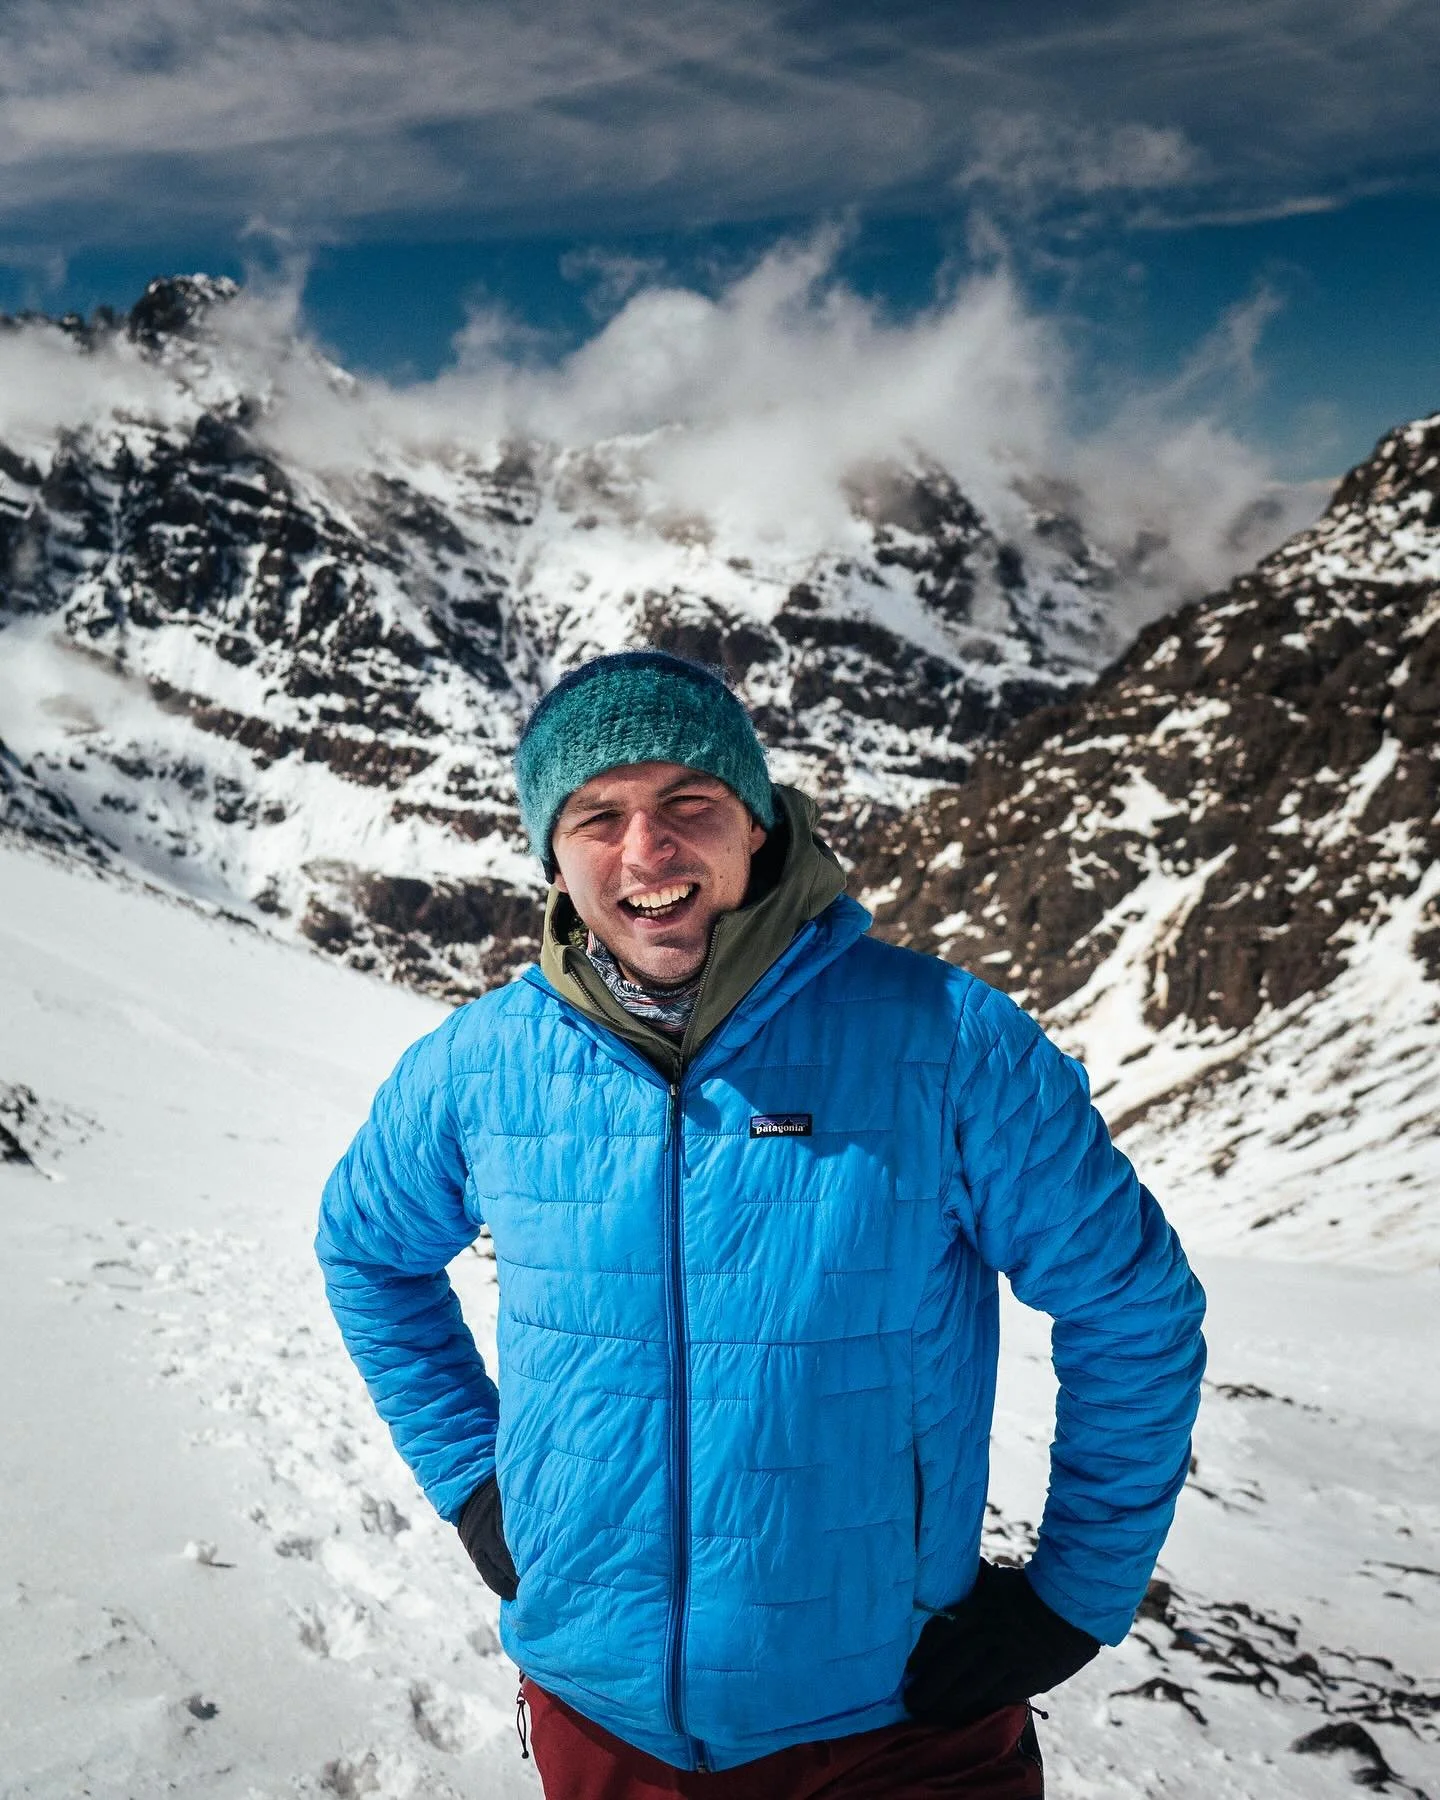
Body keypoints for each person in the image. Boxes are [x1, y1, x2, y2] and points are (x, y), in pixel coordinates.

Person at [317, 650, 1206, 1798]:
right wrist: (471, 1477)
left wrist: (1074, 1598)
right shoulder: (478, 1067)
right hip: (603, 1713)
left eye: (690, 803)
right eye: (599, 816)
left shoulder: (943, 1042)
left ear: (757, 824)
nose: (648, 850)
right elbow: (368, 1253)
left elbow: (1129, 1302)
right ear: (554, 853)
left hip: (894, 1723)